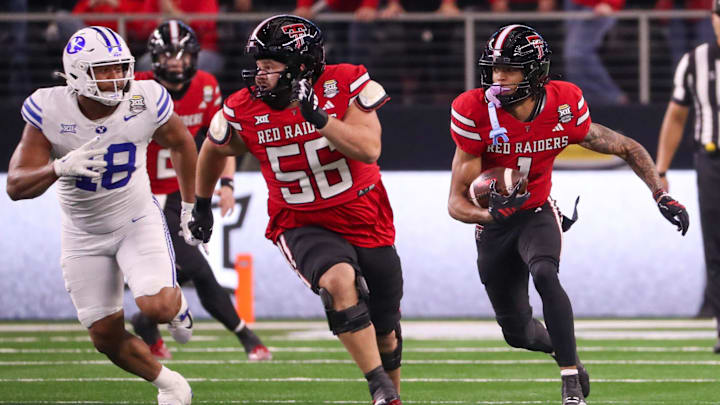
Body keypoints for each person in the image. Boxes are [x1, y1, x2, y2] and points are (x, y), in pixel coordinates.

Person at [447, 24, 690, 405]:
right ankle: (566, 352)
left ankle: (570, 382)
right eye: (495, 69)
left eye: (509, 69)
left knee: (545, 271)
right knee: (518, 333)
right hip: (495, 227)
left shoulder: (564, 105)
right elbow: (455, 203)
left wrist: (660, 194)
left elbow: (626, 147)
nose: (498, 78)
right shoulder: (474, 111)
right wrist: (491, 217)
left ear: (536, 73)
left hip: (537, 211)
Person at [189, 15, 404, 405]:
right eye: (259, 67)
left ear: (302, 67)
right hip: (300, 219)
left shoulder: (345, 83)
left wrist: (319, 117)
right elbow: (213, 147)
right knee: (338, 282)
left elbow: (370, 149)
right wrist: (202, 204)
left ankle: (392, 394)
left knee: (386, 327)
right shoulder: (245, 107)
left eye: (270, 67)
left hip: (364, 213)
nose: (260, 76)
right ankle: (379, 386)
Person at [6, 26, 202, 404]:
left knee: (157, 307)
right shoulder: (49, 108)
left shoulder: (145, 98)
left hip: (135, 219)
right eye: (105, 70)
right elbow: (15, 185)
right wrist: (58, 168)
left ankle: (177, 306)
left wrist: (192, 204)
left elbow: (181, 143)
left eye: (120, 67)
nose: (118, 78)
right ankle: (170, 384)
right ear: (77, 73)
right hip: (82, 234)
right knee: (104, 337)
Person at [130, 19, 271, 362]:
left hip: (183, 195)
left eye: (182, 54)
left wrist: (226, 184)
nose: (176, 61)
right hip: (143, 197)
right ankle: (248, 338)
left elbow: (223, 140)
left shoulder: (206, 86)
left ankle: (145, 322)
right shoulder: (140, 89)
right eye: (168, 54)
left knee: (181, 271)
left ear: (195, 56)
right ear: (155, 58)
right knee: (196, 268)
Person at [656, 0, 720, 354]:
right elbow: (676, 116)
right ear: (712, 20)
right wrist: (660, 169)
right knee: (715, 244)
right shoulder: (695, 61)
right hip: (712, 159)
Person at [564, 0, 627, 105]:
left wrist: (611, 2)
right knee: (572, 58)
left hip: (596, 6)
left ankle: (614, 97)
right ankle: (579, 101)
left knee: (576, 54)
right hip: (573, 5)